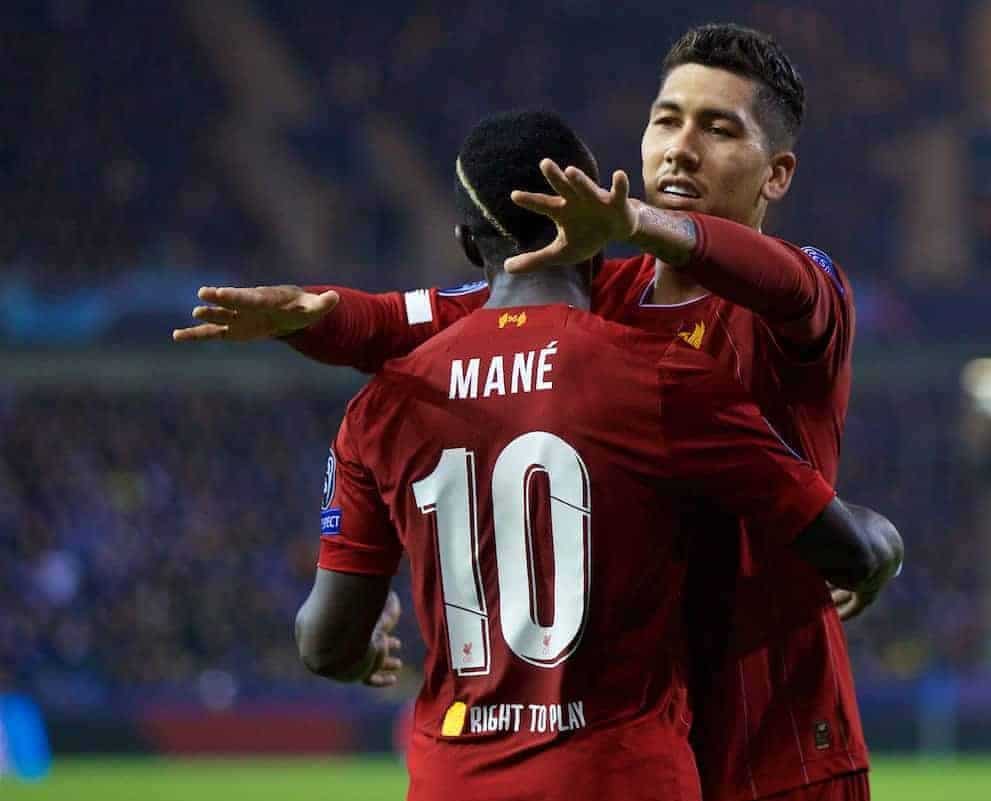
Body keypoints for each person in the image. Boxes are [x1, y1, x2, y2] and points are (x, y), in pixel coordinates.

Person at [178, 23, 892, 801]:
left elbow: (786, 283)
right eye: (667, 118)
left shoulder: (805, 300)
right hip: (647, 744)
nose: (682, 147)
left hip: (777, 746)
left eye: (720, 129)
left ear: (776, 174)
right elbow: (422, 317)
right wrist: (312, 313)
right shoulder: (603, 304)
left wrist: (637, 225)